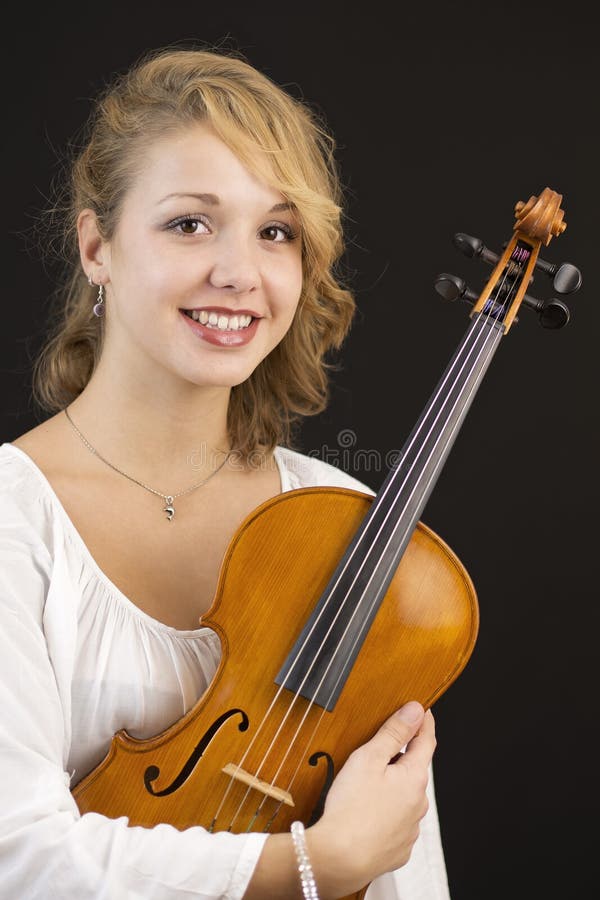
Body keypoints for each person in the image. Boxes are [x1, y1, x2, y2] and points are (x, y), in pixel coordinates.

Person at [0, 45, 449, 899]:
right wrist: (318, 864)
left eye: (275, 231)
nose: (240, 273)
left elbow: (404, 867)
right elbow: (16, 854)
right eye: (190, 223)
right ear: (96, 245)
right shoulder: (10, 518)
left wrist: (366, 858)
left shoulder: (344, 520)